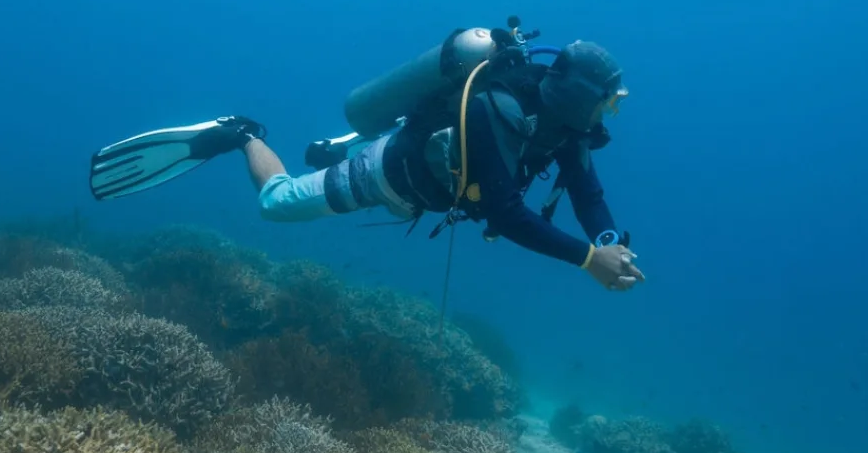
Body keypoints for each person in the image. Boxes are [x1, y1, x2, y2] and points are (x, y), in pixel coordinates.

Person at [90, 38, 644, 293]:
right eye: (609, 100)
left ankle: (341, 144)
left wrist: (608, 240)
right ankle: (242, 134)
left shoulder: (566, 127)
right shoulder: (495, 109)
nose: (610, 111)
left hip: (425, 170)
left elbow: (586, 190)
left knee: (394, 141)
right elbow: (505, 212)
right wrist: (587, 259)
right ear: (579, 93)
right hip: (384, 176)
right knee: (275, 205)